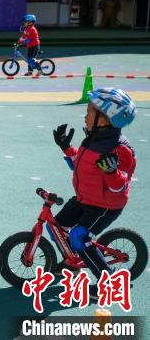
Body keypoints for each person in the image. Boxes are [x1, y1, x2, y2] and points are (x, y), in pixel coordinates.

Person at [52, 88, 136, 294]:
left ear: (105, 119)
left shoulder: (119, 148)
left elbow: (120, 185)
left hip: (105, 205)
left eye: (90, 111)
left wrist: (111, 171)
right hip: (85, 198)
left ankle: (109, 281)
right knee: (56, 228)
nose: (85, 115)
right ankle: (73, 261)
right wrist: (67, 148)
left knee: (79, 236)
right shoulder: (93, 139)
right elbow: (82, 166)